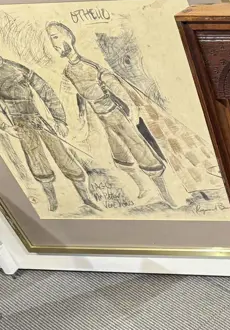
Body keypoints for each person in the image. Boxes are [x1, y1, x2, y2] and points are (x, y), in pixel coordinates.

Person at [46, 21, 174, 206]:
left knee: (140, 150)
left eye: (55, 37)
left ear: (68, 37)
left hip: (115, 113)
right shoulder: (67, 72)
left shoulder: (91, 66)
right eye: (51, 39)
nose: (54, 44)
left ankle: (166, 195)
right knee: (119, 153)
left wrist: (131, 106)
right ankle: (143, 187)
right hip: (100, 118)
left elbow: (114, 85)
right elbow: (77, 96)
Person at [0, 53, 100, 211]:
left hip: (39, 118)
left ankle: (86, 198)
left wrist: (60, 119)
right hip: (20, 125)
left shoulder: (17, 68)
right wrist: (5, 127)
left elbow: (46, 92)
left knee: (62, 155)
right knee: (36, 161)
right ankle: (53, 202)